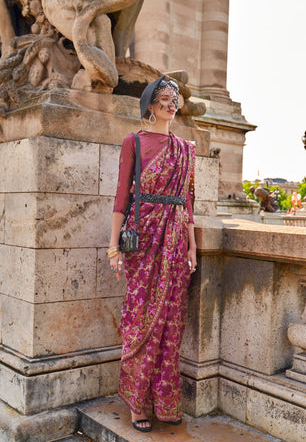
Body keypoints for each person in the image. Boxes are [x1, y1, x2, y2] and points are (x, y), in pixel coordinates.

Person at [108, 75, 197, 432]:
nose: (171, 104)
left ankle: (166, 401)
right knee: (141, 319)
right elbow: (120, 198)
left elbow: (188, 201)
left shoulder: (186, 148)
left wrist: (192, 244)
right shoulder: (134, 142)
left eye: (174, 99)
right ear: (149, 104)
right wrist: (113, 246)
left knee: (172, 323)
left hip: (176, 240)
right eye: (163, 98)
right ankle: (137, 403)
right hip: (143, 238)